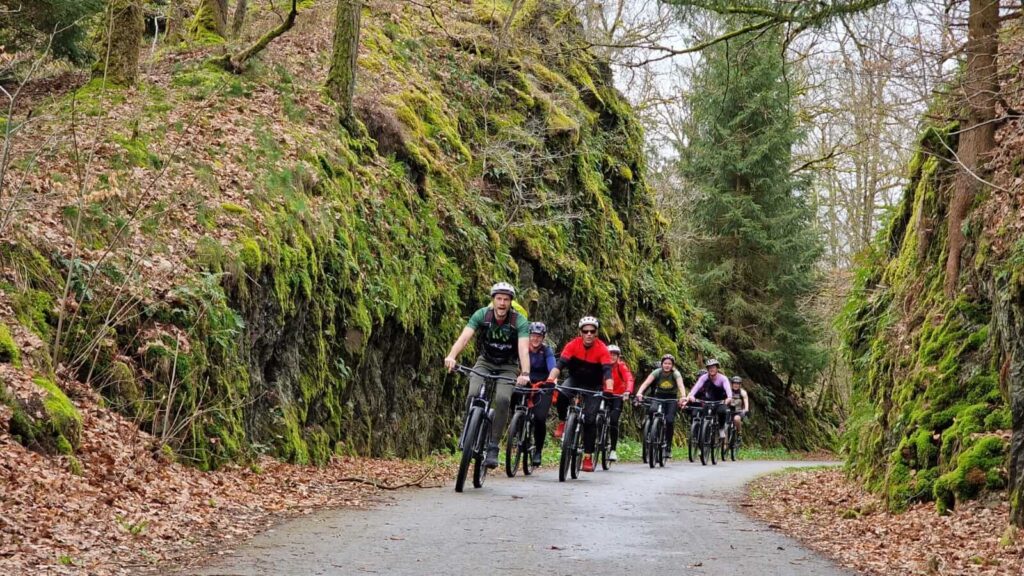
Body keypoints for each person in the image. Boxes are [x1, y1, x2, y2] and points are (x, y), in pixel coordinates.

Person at [444, 282, 531, 468]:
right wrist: (452, 356)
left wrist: (525, 373)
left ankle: (493, 447)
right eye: (499, 298)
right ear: (493, 300)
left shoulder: (519, 321)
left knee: (502, 400)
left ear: (510, 303)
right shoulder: (482, 315)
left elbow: (524, 350)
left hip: (508, 365)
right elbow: (464, 337)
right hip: (485, 361)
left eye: (506, 300)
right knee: (473, 392)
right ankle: (468, 430)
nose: (502, 303)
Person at [547, 316, 614, 472]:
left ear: (596, 333)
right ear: (580, 332)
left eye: (592, 331)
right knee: (562, 394)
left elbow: (607, 372)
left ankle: (588, 457)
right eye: (585, 331)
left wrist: (609, 389)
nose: (589, 334)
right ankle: (563, 421)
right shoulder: (573, 345)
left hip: (593, 385)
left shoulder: (602, 349)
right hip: (575, 379)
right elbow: (560, 364)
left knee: (590, 420)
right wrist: (551, 379)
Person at [634, 354, 686, 459]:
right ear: (662, 364)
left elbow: (680, 385)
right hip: (658, 397)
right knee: (652, 411)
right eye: (665, 363)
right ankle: (650, 433)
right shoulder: (657, 372)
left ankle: (668, 448)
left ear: (672, 365)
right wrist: (639, 393)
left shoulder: (676, 374)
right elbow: (646, 383)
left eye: (669, 364)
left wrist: (683, 397)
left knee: (670, 420)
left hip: (671, 399)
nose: (667, 365)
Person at [524, 321, 556, 467]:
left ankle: (538, 450)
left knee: (540, 418)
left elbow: (552, 367)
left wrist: (551, 380)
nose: (535, 339)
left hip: (542, 386)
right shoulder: (523, 348)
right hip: (525, 383)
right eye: (533, 335)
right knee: (513, 401)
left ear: (543, 337)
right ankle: (518, 430)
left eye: (538, 336)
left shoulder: (546, 351)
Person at [685, 358, 732, 438]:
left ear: (717, 368)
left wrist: (729, 398)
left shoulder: (723, 378)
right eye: (709, 368)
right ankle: (704, 437)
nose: (711, 369)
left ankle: (721, 428)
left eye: (713, 367)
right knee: (703, 416)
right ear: (707, 369)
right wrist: (691, 396)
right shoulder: (704, 377)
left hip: (720, 401)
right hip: (708, 401)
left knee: (722, 411)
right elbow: (696, 387)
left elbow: (728, 390)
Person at [606, 345, 634, 462]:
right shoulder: (602, 365)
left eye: (614, 354)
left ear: (618, 356)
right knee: (591, 417)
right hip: (604, 393)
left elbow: (629, 378)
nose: (612, 356)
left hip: (618, 396)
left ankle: (612, 450)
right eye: (610, 354)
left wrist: (628, 391)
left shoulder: (621, 366)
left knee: (613, 421)